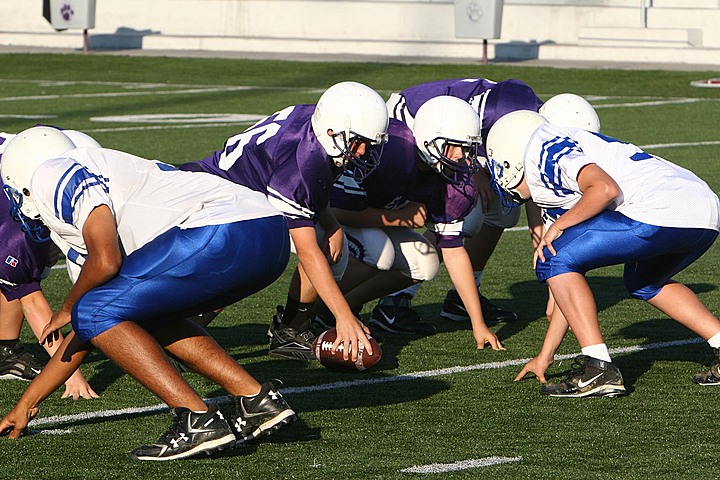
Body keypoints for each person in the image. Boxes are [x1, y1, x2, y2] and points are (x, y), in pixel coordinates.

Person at [0, 126, 296, 460]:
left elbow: (103, 268)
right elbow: (90, 331)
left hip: (222, 229)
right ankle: (257, 400)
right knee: (137, 313)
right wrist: (26, 404)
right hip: (267, 234)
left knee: (93, 309)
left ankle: (196, 420)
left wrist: (69, 306)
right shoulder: (117, 187)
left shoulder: (51, 175)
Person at [484, 110, 720, 397]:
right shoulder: (551, 169)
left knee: (554, 256)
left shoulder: (542, 151)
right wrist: (546, 355)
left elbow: (604, 188)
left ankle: (599, 370)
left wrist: (558, 226)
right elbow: (565, 287)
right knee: (644, 281)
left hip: (663, 208)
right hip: (704, 212)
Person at [180, 81, 388, 361]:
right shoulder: (307, 158)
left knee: (328, 250)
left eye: (368, 143)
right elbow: (307, 249)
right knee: (250, 260)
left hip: (242, 194)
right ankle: (181, 334)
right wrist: (344, 316)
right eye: (357, 141)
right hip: (215, 197)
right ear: (331, 130)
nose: (362, 151)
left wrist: (332, 224)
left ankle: (291, 329)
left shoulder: (319, 125)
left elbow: (311, 190)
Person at [322, 96, 503, 349]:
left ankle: (341, 308)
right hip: (321, 220)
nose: (460, 155)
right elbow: (334, 209)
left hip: (366, 222)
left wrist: (478, 323)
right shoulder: (390, 150)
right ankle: (312, 311)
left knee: (425, 262)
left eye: (466, 147)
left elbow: (452, 250)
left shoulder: (448, 176)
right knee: (378, 250)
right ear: (430, 139)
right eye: (454, 145)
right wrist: (397, 218)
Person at [0, 130, 98, 400]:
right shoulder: (15, 231)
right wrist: (70, 375)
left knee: (20, 270)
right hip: (10, 231)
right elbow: (33, 303)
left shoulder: (38, 147)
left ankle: (5, 351)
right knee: (18, 270)